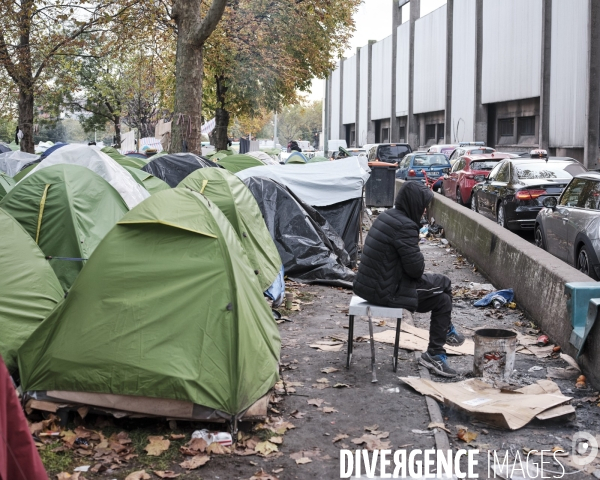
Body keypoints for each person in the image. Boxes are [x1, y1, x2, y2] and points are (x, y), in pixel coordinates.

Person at [353, 181, 464, 377]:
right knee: (445, 283)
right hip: (386, 291)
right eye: (423, 206)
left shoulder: (389, 216)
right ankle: (441, 342)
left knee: (443, 300)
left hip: (370, 285)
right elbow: (415, 270)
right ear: (415, 204)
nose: (424, 211)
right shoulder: (405, 226)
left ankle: (437, 350)